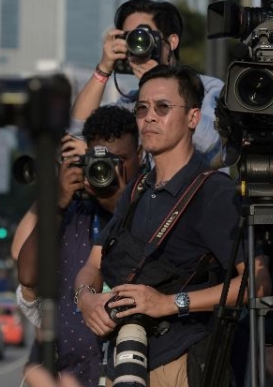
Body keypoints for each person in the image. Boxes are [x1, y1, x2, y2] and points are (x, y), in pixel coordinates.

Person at [74, 65, 246, 387]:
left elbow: (254, 284)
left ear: (193, 118)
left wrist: (169, 303)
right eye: (142, 108)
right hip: (123, 360)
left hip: (180, 361)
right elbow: (92, 265)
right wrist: (86, 299)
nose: (149, 117)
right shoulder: (138, 188)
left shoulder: (214, 192)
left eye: (162, 107)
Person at [17, 106, 142, 387]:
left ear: (141, 156)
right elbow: (27, 275)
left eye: (121, 159)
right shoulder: (73, 212)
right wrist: (59, 200)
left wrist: (119, 202)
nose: (110, 170)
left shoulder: (152, 207)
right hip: (72, 375)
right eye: (100, 162)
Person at [70, 0, 226, 168]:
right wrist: (103, 69)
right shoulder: (131, 103)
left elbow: (209, 141)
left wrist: (157, 81)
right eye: (130, 38)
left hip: (198, 192)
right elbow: (78, 132)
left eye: (145, 36)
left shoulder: (209, 88)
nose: (138, 46)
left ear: (172, 42)